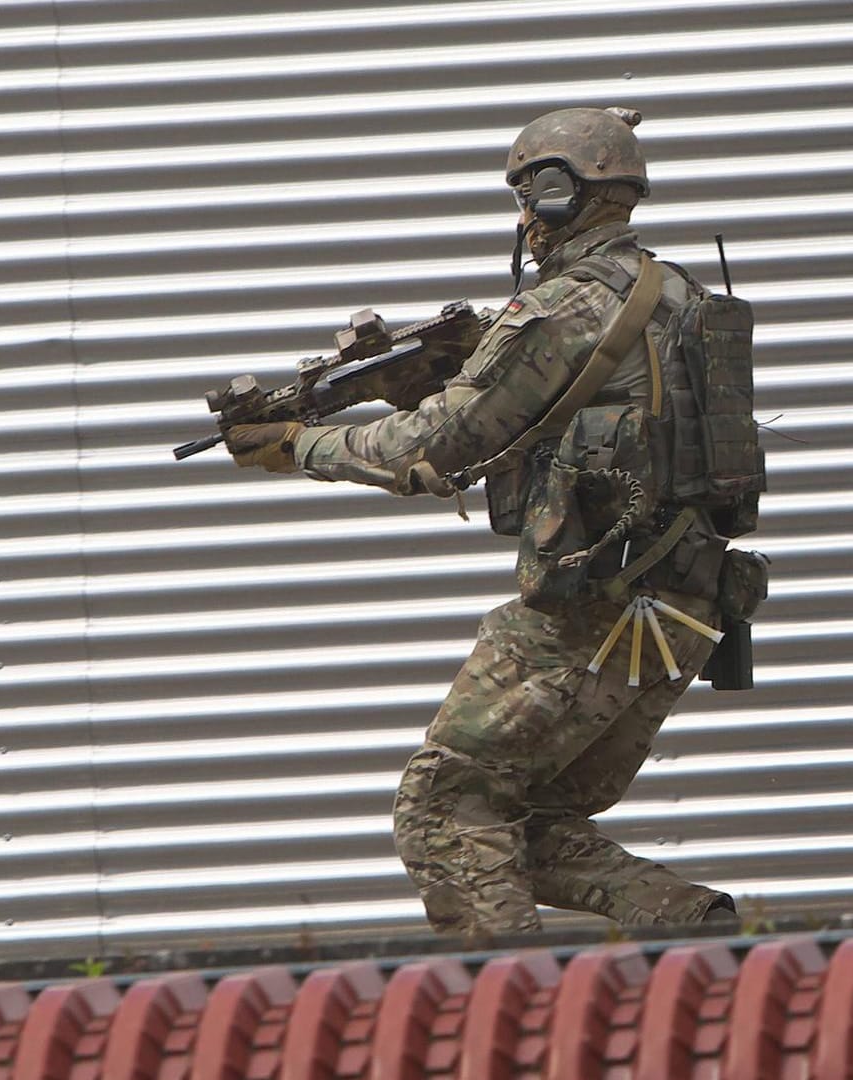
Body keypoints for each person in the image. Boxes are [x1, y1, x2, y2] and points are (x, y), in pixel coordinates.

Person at [225, 106, 766, 937]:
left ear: (564, 196)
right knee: (524, 819)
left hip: (588, 616)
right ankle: (692, 928)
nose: (522, 216)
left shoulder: (561, 310)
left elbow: (433, 451)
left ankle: (511, 1016)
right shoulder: (680, 295)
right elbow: (574, 421)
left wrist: (303, 443)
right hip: (686, 610)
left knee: (441, 809)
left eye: (530, 194)